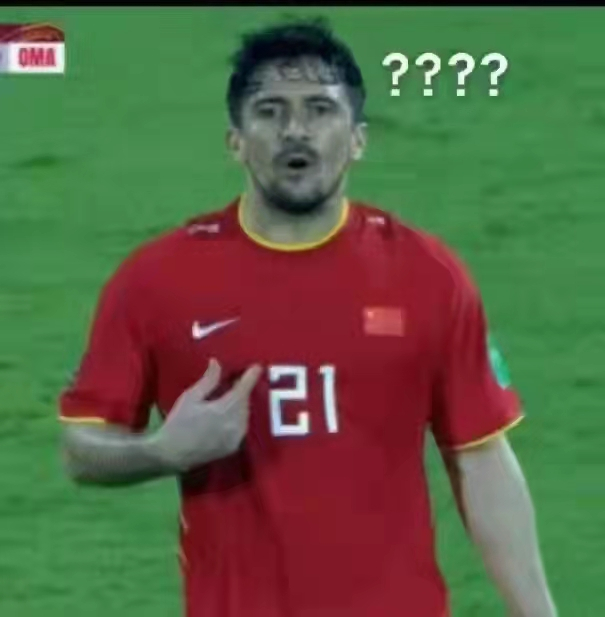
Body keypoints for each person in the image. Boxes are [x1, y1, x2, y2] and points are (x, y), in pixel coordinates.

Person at [59, 17, 558, 617]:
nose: (295, 130)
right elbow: (82, 446)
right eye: (269, 111)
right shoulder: (156, 280)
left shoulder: (429, 276)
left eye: (320, 110)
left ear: (358, 139)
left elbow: (480, 459)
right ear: (235, 140)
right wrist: (164, 451)